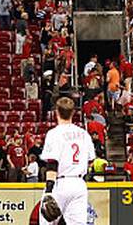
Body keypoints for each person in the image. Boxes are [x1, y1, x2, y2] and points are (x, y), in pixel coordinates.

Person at [40, 96, 96, 225]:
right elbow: (91, 161)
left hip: (59, 183)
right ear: (73, 112)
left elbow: (52, 163)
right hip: (78, 183)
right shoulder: (84, 134)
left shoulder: (54, 133)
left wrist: (49, 190)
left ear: (56, 112)